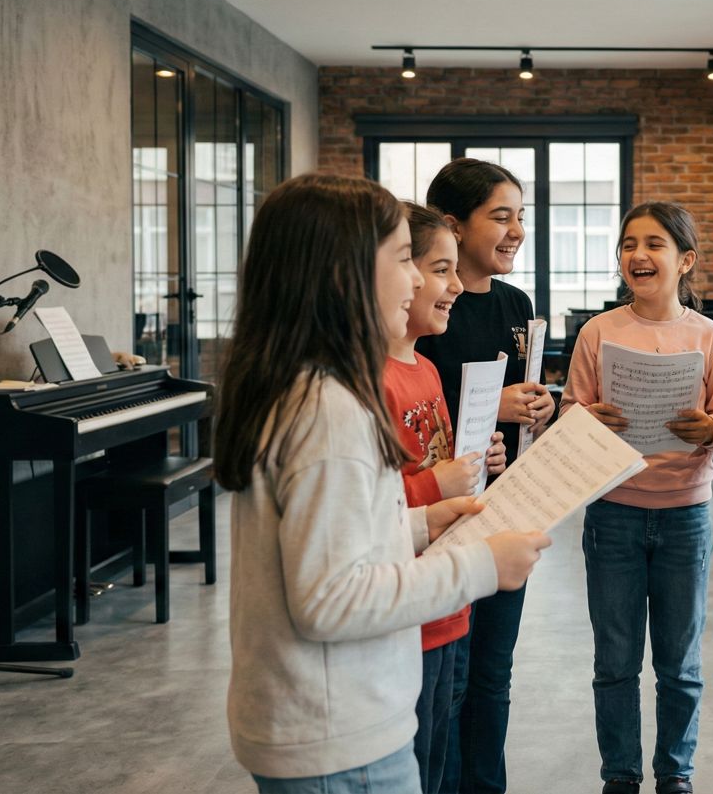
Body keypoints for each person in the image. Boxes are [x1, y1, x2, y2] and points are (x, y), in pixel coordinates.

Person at [214, 173, 549, 793]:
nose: (422, 281)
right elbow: (333, 598)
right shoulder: (329, 409)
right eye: (405, 259)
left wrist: (418, 523)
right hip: (338, 729)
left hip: (320, 718)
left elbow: (331, 540)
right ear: (343, 274)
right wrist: (482, 565)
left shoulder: (303, 388)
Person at [563, 202, 713, 794]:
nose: (639, 254)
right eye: (629, 244)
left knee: (679, 665)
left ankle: (675, 774)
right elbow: (569, 414)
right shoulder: (598, 332)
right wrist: (591, 418)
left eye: (655, 244)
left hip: (687, 514)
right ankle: (620, 775)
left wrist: (709, 429)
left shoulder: (710, 336)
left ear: (684, 261)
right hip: (611, 513)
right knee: (614, 662)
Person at [417, 158, 556, 794]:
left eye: (520, 216)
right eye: (501, 216)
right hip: (442, 514)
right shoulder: (421, 310)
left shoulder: (516, 302)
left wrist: (539, 404)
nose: (516, 230)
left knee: (493, 672)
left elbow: (525, 401)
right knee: (450, 677)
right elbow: (412, 399)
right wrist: (493, 402)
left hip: (505, 506)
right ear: (453, 224)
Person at [385, 201, 507, 792]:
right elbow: (373, 505)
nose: (457, 286)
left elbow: (440, 461)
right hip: (405, 604)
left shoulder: (427, 373)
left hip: (448, 600)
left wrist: (476, 467)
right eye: (439, 269)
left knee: (439, 750)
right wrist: (442, 483)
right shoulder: (373, 379)